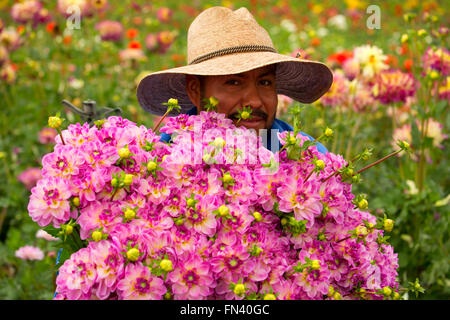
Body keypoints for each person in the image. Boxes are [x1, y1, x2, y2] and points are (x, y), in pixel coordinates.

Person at [136, 6, 333, 154]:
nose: (255, 101)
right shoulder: (164, 156)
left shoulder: (306, 157)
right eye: (234, 82)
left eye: (265, 82)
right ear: (195, 91)